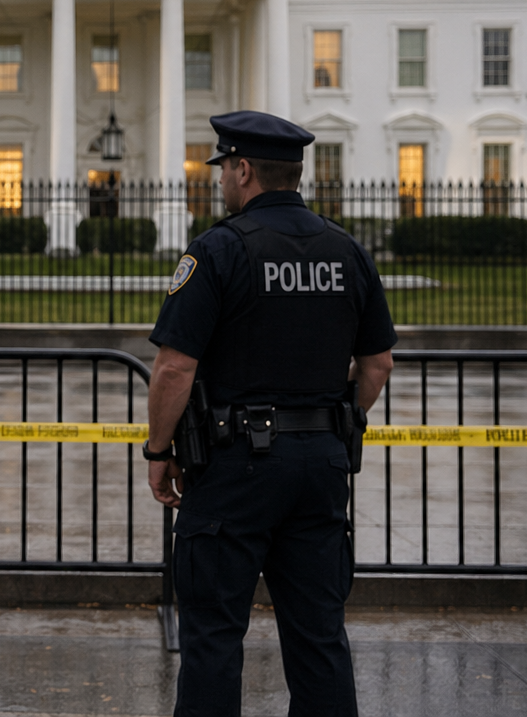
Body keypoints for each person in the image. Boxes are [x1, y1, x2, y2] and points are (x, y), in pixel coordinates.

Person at [142, 111, 396, 717]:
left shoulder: (220, 250)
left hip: (234, 471)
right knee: (318, 638)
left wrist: (159, 451)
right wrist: (335, 422)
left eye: (225, 168)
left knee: (212, 640)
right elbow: (378, 364)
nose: (222, 180)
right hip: (321, 467)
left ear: (244, 169)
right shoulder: (345, 250)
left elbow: (175, 368)